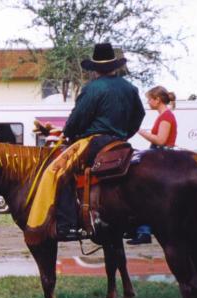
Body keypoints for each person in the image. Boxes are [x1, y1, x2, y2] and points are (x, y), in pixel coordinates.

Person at [25, 43, 145, 243]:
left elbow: (76, 119)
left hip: (95, 142)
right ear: (115, 66)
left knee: (59, 171)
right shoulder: (130, 88)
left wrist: (68, 133)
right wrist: (124, 135)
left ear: (95, 68)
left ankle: (68, 224)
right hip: (121, 143)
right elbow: (139, 116)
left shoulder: (92, 89)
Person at [127, 86, 177, 245]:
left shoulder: (166, 117)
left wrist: (139, 131)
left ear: (158, 100)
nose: (148, 102)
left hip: (160, 155)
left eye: (150, 99)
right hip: (159, 153)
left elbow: (161, 140)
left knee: (142, 192)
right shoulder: (164, 116)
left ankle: (143, 231)